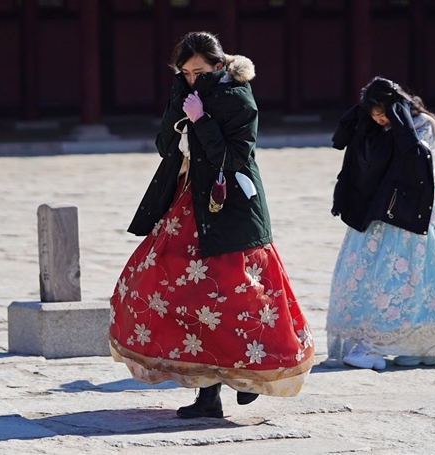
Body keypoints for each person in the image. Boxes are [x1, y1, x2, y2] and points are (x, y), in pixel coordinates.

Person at [109, 31, 314, 418]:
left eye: (198, 70)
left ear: (218, 65)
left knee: (238, 295)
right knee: (181, 295)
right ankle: (208, 397)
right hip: (185, 203)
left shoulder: (238, 96)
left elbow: (238, 157)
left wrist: (201, 120)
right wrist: (179, 119)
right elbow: (164, 145)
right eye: (184, 71)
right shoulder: (182, 91)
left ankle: (252, 375)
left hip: (229, 209)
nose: (191, 77)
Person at [326, 76, 435, 370]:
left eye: (383, 113)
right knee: (377, 277)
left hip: (416, 205)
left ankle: (421, 344)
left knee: (423, 277)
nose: (380, 120)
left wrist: (396, 127)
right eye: (374, 115)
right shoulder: (373, 126)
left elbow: (415, 162)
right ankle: (377, 343)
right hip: (377, 206)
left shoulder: (423, 123)